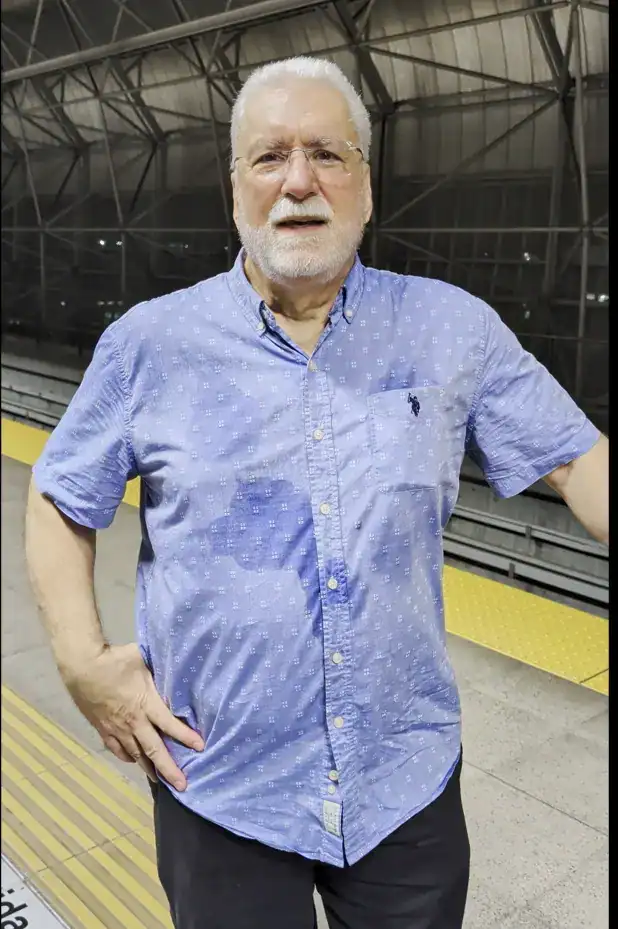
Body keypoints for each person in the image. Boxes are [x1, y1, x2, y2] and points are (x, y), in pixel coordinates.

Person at [25, 56, 608, 929]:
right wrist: (84, 661)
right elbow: (60, 495)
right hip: (220, 784)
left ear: (366, 185)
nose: (299, 180)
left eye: (328, 154)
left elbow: (576, 459)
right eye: (269, 157)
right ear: (235, 190)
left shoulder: (449, 326)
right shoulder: (152, 344)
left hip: (401, 781)